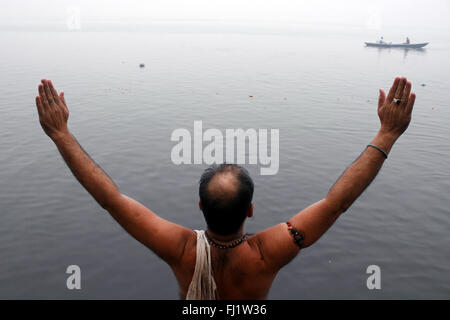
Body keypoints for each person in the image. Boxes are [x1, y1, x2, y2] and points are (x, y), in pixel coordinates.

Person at [34, 77, 416, 299]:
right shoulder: (267, 254)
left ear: (199, 206)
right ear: (251, 210)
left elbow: (110, 201)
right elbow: (336, 204)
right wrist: (387, 133)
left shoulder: (181, 249)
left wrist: (61, 134)